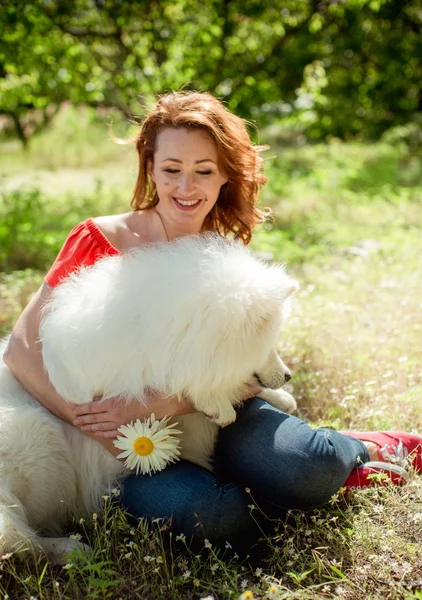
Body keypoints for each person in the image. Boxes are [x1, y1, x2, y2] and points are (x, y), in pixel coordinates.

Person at [3, 91, 421, 550]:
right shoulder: (100, 239)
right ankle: (269, 488)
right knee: (213, 518)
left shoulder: (223, 255)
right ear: (150, 167)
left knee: (308, 466)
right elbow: (21, 350)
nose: (186, 188)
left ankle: (357, 451)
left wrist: (159, 405)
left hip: (212, 414)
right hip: (126, 449)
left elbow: (244, 370)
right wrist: (95, 424)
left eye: (203, 171)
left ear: (225, 174)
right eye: (172, 170)